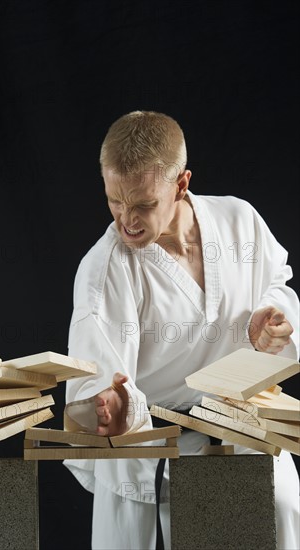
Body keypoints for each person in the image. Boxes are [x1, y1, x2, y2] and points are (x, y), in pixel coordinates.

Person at [63, 111, 300, 550]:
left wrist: (271, 317)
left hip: (244, 426)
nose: (126, 220)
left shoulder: (238, 220)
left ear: (181, 184)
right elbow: (97, 366)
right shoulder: (105, 268)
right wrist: (112, 405)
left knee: (281, 510)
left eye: (143, 204)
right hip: (157, 447)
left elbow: (276, 281)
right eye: (114, 200)